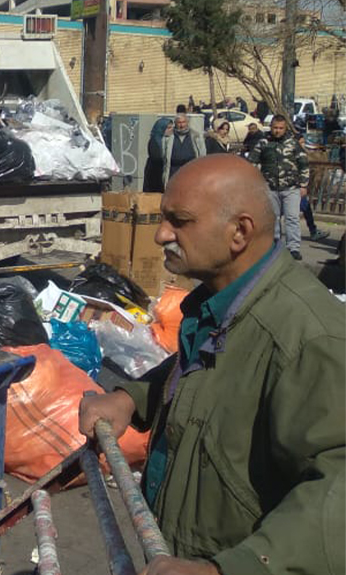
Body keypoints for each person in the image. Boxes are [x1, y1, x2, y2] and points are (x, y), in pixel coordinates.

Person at [79, 155, 344, 574]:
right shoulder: (222, 303)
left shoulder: (310, 336)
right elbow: (213, 375)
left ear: (239, 232)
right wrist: (132, 399)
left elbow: (338, 489)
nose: (161, 235)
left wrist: (227, 569)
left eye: (179, 221)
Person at [246, 114, 309, 260]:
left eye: (281, 128)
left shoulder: (293, 143)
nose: (277, 131)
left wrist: (304, 184)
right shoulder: (263, 142)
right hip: (270, 187)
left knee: (292, 218)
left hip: (291, 187)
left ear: (285, 128)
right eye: (275, 128)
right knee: (273, 218)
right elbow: (252, 162)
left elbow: (304, 164)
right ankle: (274, 246)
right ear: (271, 127)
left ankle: (293, 248)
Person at [146, 114, 205, 192]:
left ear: (187, 122)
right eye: (179, 123)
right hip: (173, 173)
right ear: (175, 124)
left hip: (191, 173)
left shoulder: (196, 136)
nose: (181, 125)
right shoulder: (168, 138)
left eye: (183, 122)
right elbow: (163, 157)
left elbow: (202, 154)